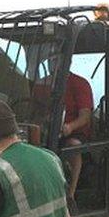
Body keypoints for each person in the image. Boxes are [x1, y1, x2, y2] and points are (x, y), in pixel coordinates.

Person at [33, 71, 93, 199]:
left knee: (73, 146)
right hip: (48, 131)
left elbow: (85, 116)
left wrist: (70, 126)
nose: (53, 63)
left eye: (56, 59)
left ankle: (70, 194)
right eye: (51, 59)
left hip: (74, 132)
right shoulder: (42, 84)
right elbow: (35, 110)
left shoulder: (79, 83)